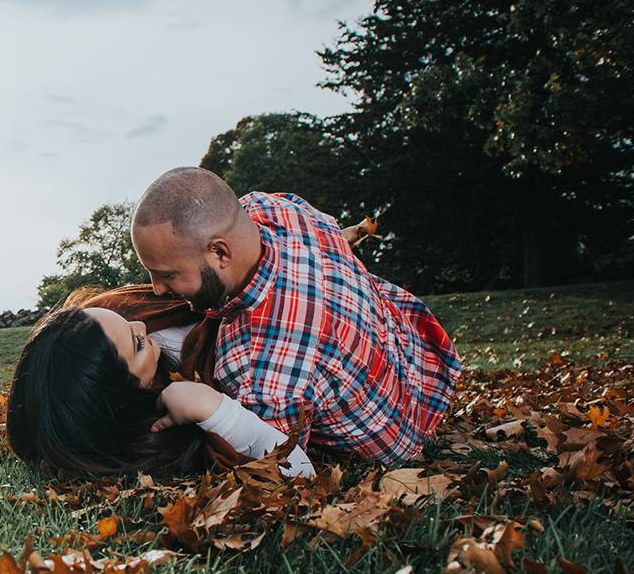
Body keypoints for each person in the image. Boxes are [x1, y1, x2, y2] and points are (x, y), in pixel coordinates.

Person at [129, 167, 461, 466]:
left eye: (168, 274)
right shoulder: (271, 209)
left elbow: (282, 469)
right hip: (425, 360)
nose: (157, 289)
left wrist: (211, 410)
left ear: (220, 252)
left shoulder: (265, 368)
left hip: (397, 435)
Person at [6, 285, 315, 478]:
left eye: (127, 322)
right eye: (137, 343)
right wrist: (217, 410)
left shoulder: (108, 315)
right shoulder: (192, 425)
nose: (141, 324)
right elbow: (300, 474)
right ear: (123, 398)